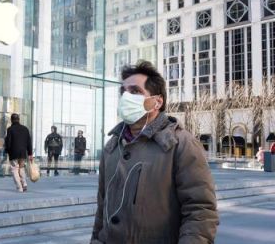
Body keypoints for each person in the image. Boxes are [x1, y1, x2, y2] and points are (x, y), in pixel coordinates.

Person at [91, 61, 218, 243]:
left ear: (157, 102)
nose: (126, 97)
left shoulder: (181, 144)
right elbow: (102, 209)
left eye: (135, 91)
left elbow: (200, 212)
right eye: (123, 92)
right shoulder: (111, 147)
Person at [4, 113, 33, 193]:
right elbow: (29, 142)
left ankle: (19, 187)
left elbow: (8, 142)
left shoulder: (10, 129)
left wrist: (7, 151)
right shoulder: (25, 129)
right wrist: (30, 154)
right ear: (19, 119)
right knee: (21, 168)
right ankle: (24, 183)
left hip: (13, 152)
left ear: (11, 120)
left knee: (14, 169)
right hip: (23, 152)